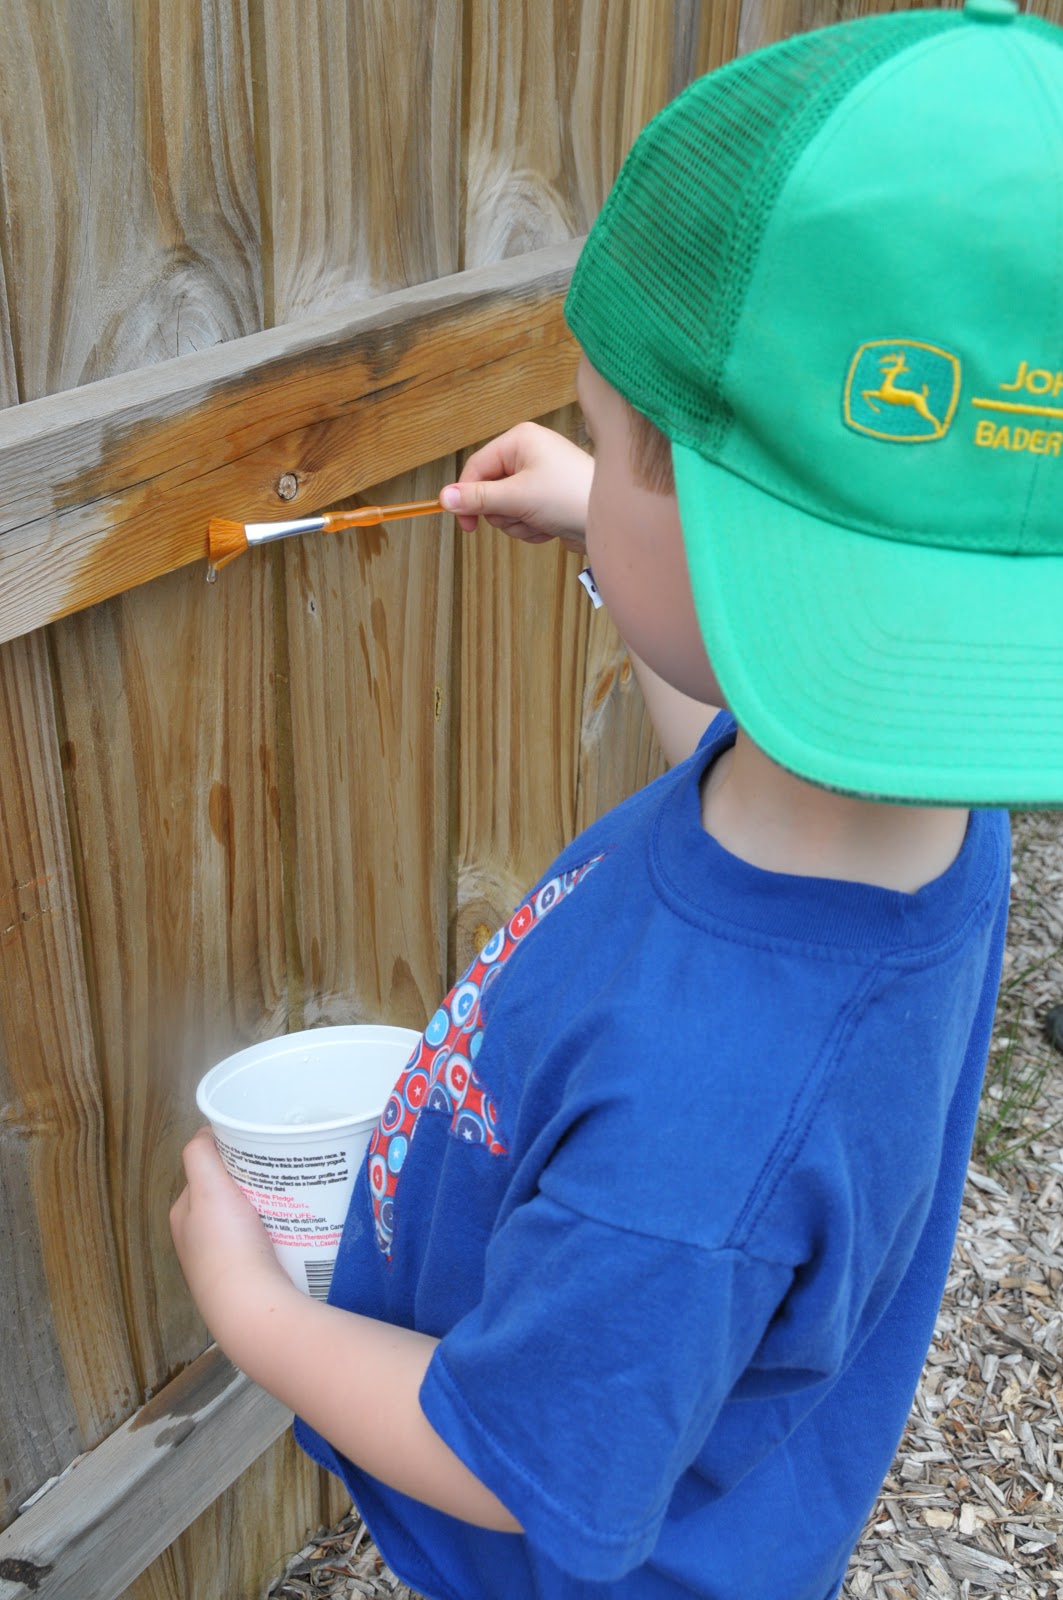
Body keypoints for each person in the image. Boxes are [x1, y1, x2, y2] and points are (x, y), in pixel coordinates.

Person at [170, 5, 1063, 1596]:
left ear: (709, 525)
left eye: (604, 433)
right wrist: (614, 515)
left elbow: (515, 1465)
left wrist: (256, 1315)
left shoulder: (696, 1127)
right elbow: (768, 710)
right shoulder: (914, 790)